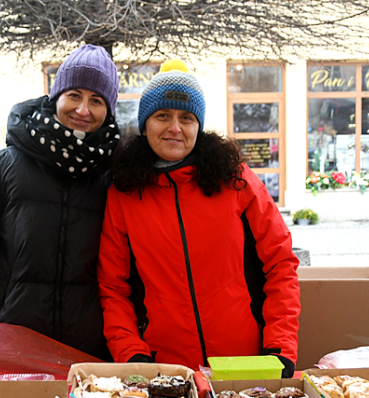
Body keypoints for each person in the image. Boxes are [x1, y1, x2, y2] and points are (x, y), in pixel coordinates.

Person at [97, 60, 300, 376]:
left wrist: (280, 348)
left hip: (244, 365)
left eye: (186, 118)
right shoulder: (124, 193)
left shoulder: (236, 180)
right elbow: (112, 286)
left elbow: (281, 263)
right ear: (145, 123)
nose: (174, 128)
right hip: (163, 368)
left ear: (199, 126)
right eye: (162, 116)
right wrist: (131, 355)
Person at [0, 44, 120, 361]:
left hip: (87, 353)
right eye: (74, 95)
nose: (83, 109)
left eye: (97, 100)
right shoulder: (1, 168)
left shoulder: (114, 178)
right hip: (8, 346)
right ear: (56, 97)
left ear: (109, 110)